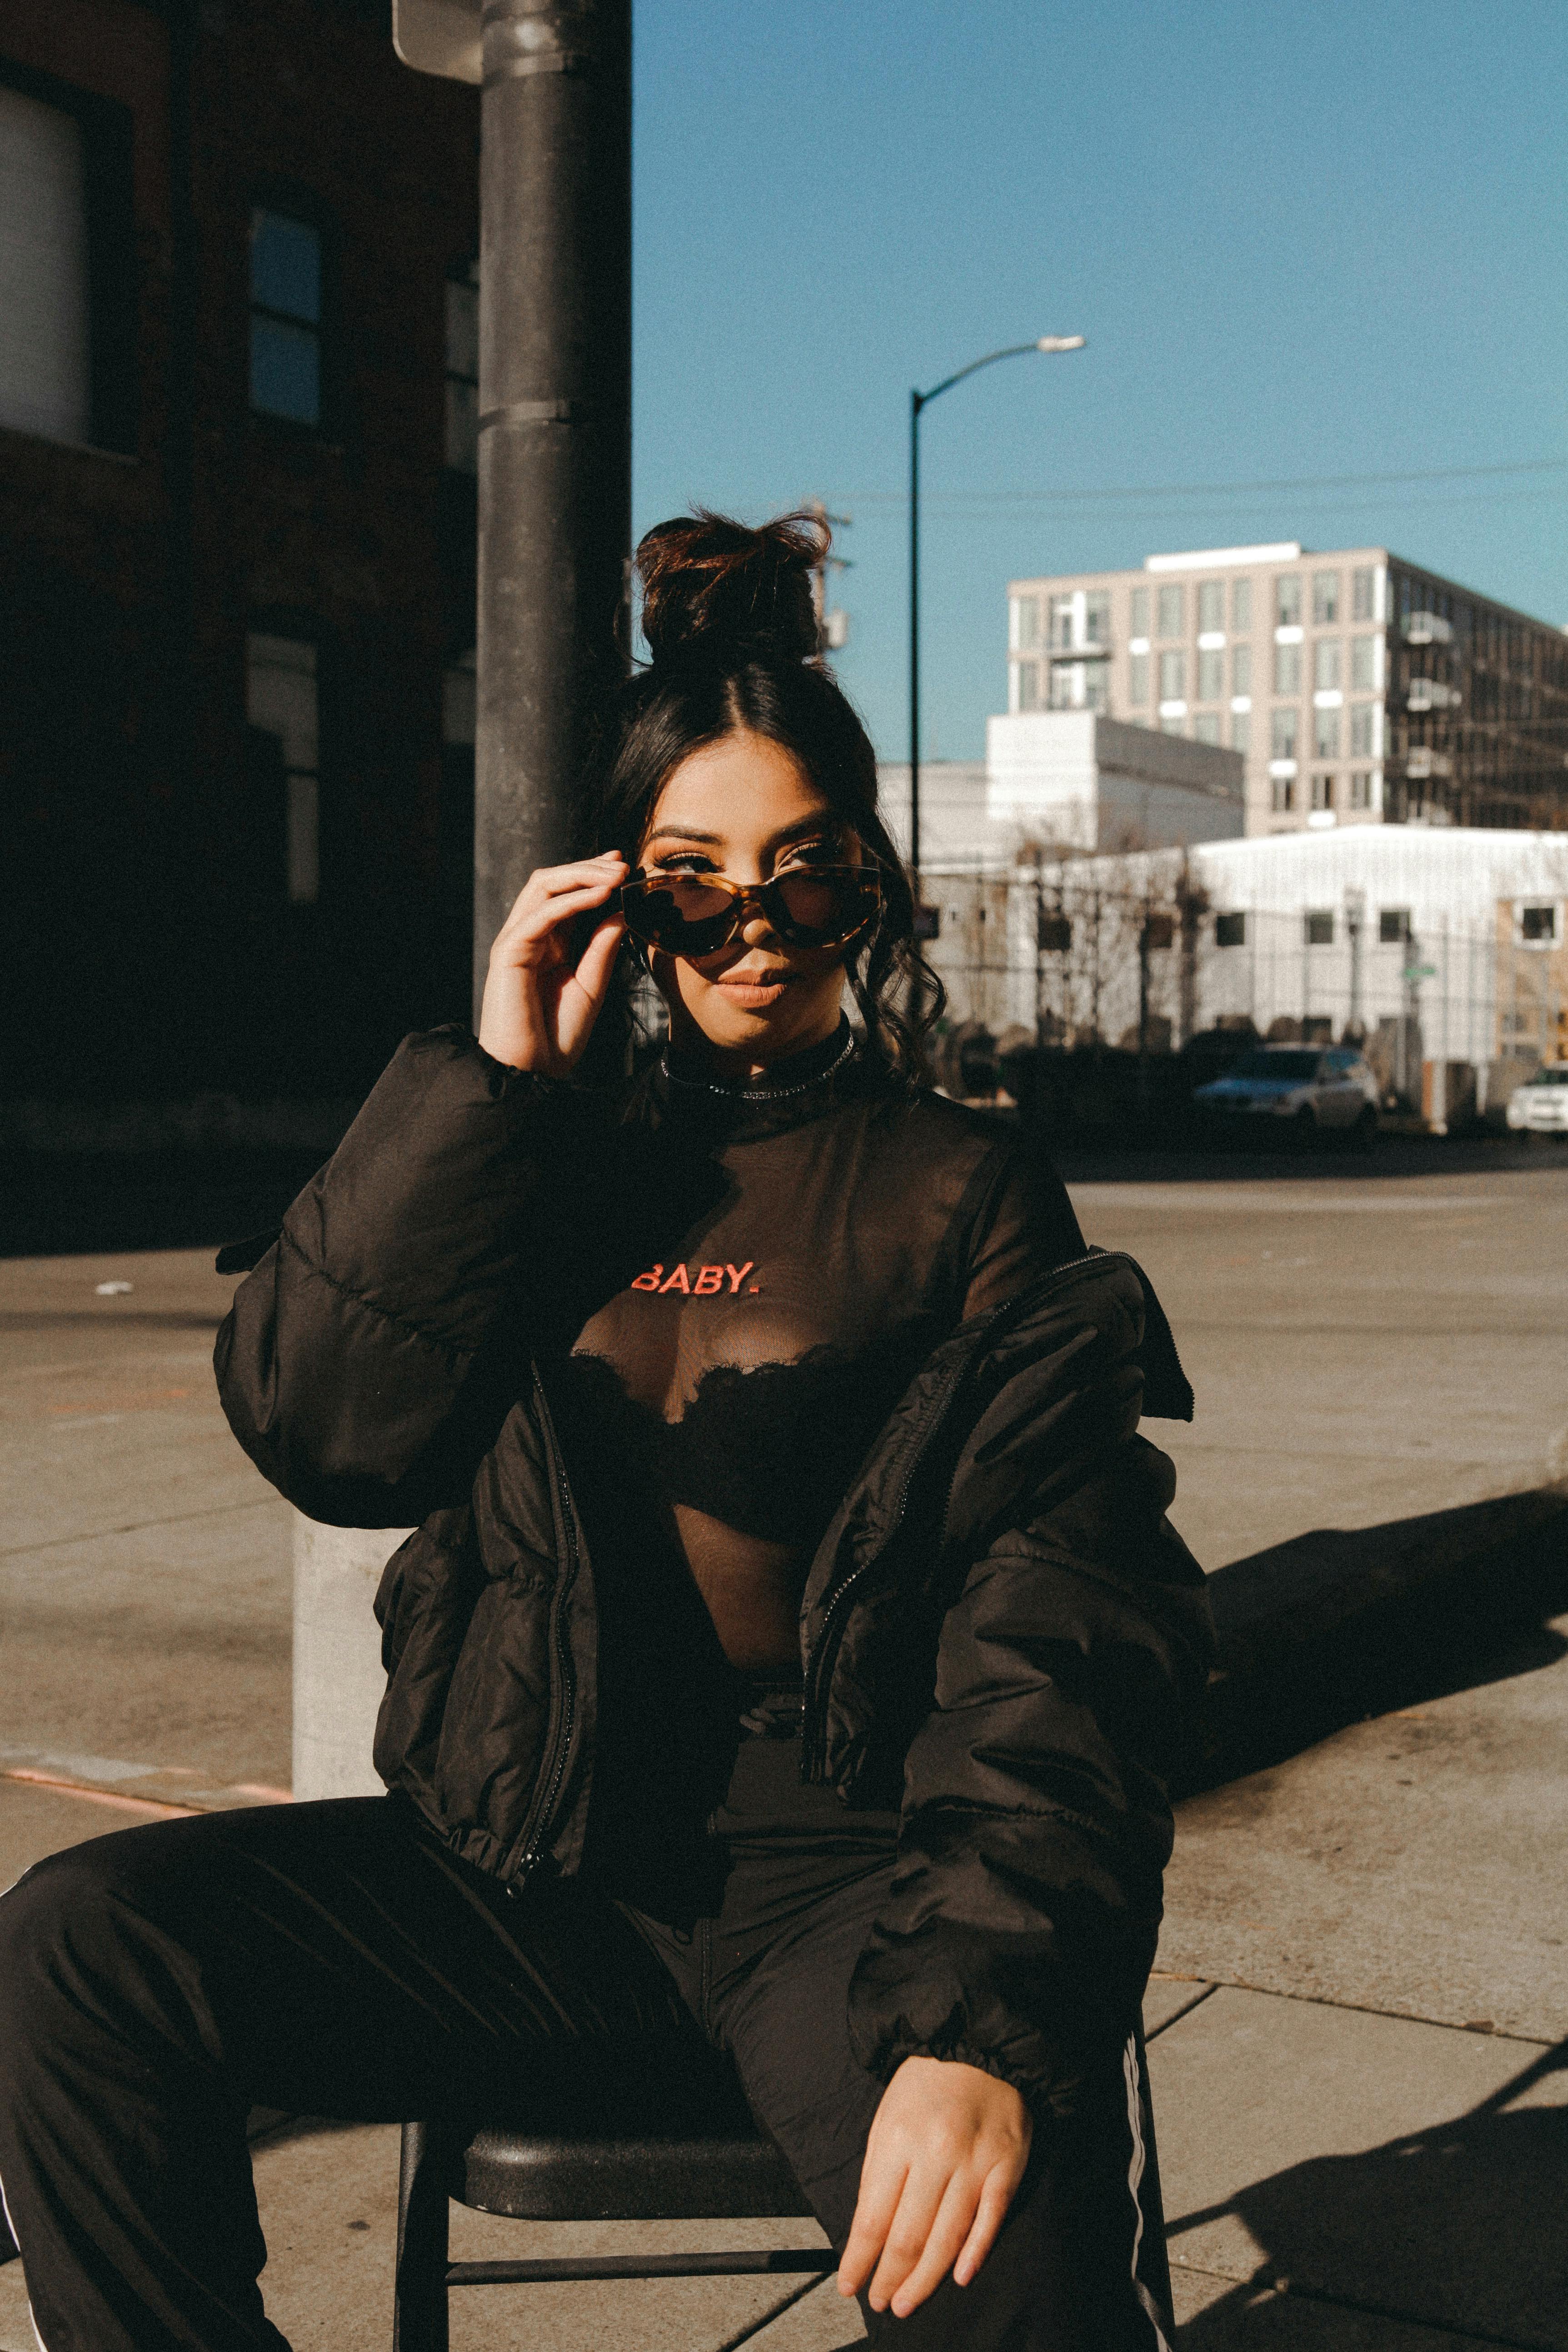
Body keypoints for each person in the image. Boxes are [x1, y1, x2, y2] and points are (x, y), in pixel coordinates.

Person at [0, 511, 1213, 2351]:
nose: (751, 931)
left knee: (1009, 2250)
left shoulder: (958, 1192)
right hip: (529, 1872)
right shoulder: (535, 1163)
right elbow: (332, 1438)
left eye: (801, 877)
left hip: (844, 1897)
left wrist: (970, 2024)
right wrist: (484, 1099)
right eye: (691, 883)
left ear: (868, 886)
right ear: (623, 896)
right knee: (82, 1943)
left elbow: (1058, 1640)